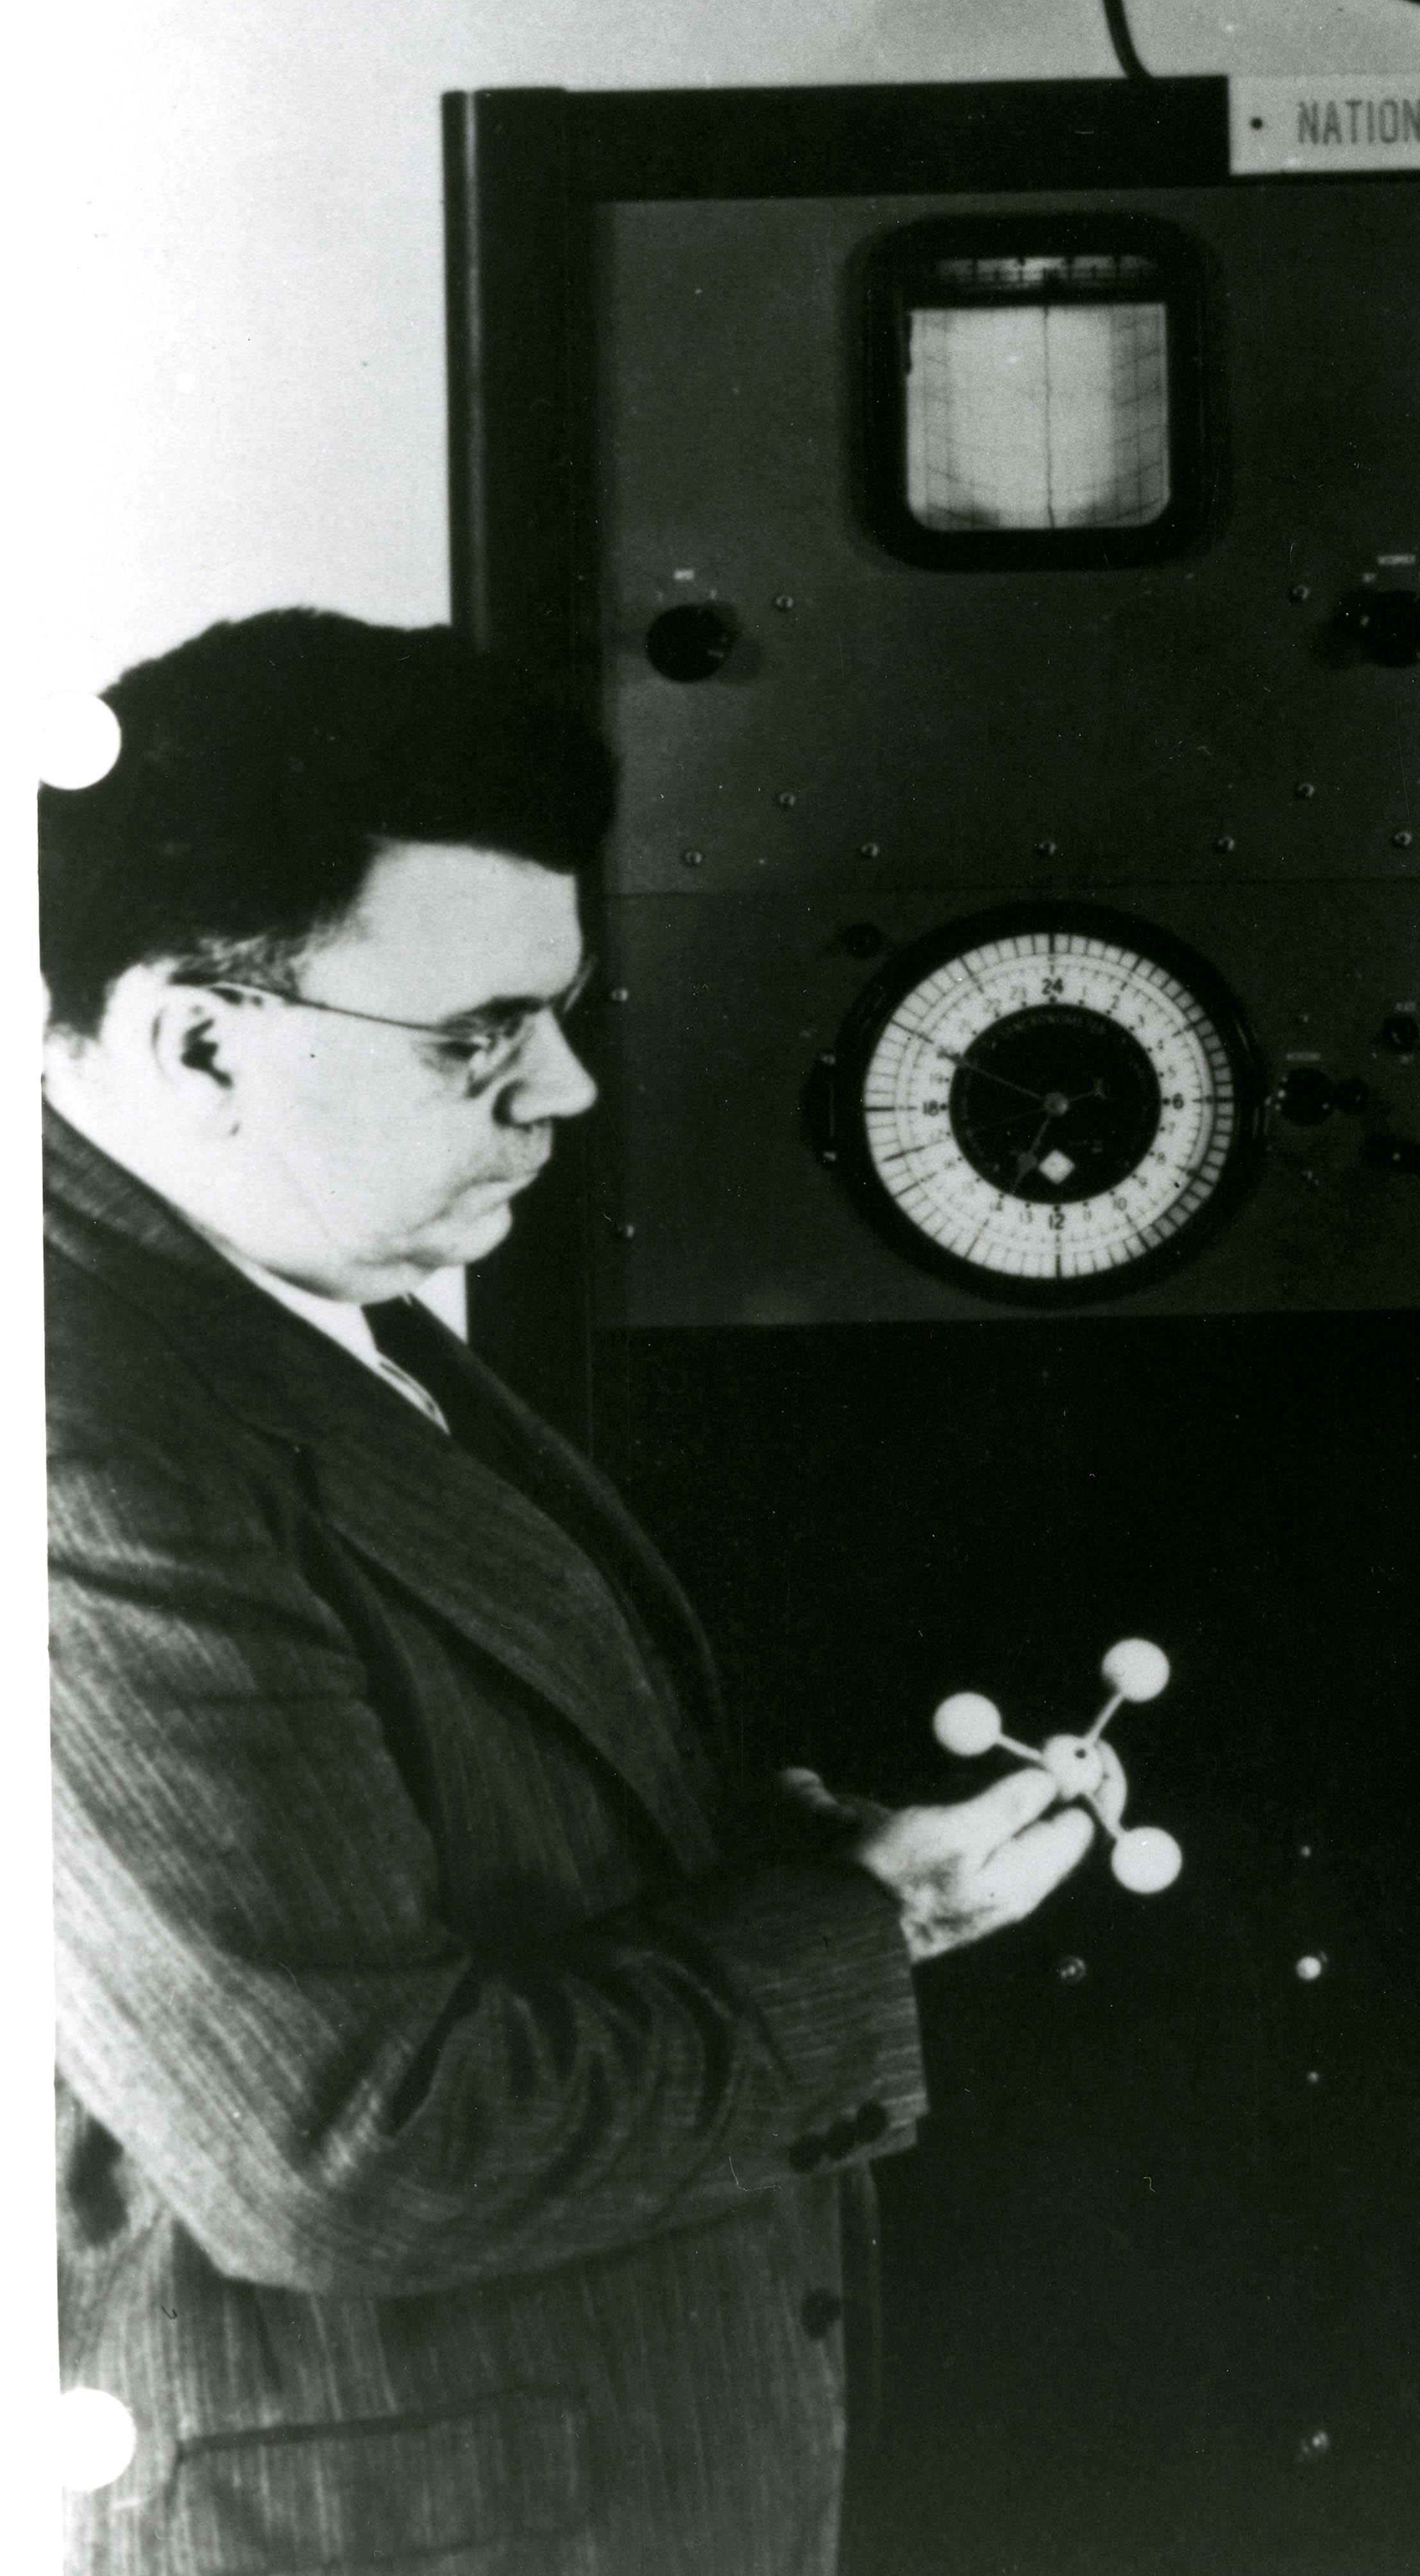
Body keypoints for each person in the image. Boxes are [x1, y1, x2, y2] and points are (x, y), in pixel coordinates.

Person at [43, 610, 1099, 2576]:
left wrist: (787, 1872)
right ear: (199, 1035)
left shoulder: (287, 1298)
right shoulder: (83, 1453)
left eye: (559, 1012)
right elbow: (348, 2157)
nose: (568, 1095)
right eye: (478, 1040)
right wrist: (872, 1920)